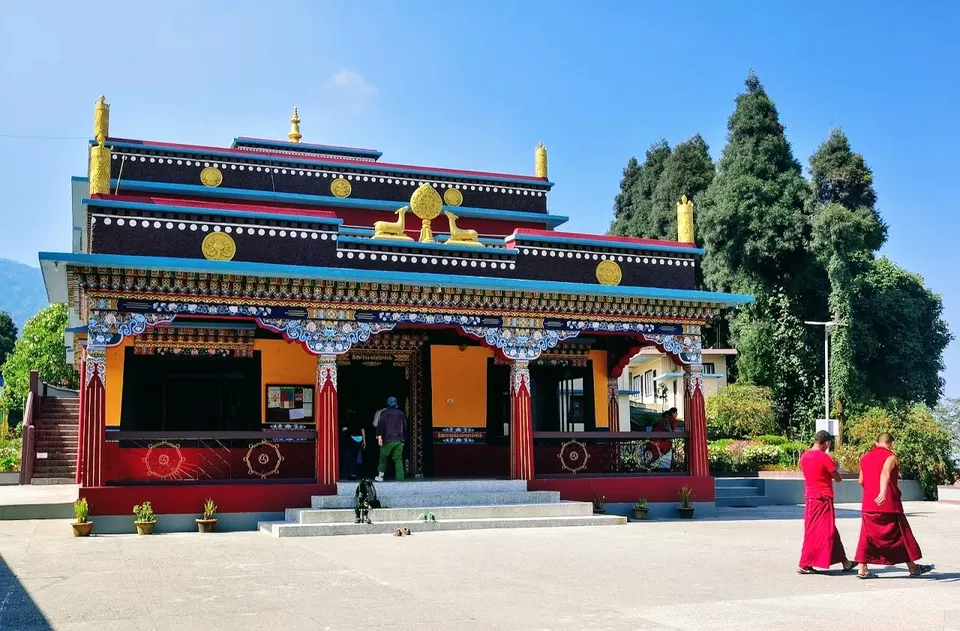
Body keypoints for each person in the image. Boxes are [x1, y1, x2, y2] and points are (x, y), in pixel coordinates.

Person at [855, 433, 934, 579]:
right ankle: (913, 568)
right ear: (892, 443)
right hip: (889, 505)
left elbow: (861, 480)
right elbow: (885, 472)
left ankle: (862, 569)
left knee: (866, 537)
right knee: (902, 536)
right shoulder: (891, 456)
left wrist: (872, 492)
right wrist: (883, 492)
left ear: (876, 442)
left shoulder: (865, 458)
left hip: (869, 504)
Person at [797, 430, 857, 574]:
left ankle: (845, 562)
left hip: (812, 497)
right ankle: (805, 563)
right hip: (822, 498)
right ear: (827, 443)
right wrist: (834, 467)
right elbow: (838, 478)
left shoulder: (804, 456)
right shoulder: (824, 457)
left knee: (829, 530)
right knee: (816, 532)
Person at [375, 396, 406, 482]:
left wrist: (379, 437)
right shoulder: (401, 413)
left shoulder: (384, 413)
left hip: (387, 439)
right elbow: (405, 427)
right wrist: (403, 440)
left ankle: (380, 476)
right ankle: (400, 478)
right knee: (398, 459)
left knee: (383, 457)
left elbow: (380, 425)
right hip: (399, 440)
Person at [340, 407, 366, 480]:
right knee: (357, 455)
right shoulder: (360, 419)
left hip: (352, 438)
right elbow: (362, 430)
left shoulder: (349, 419)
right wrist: (364, 441)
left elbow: (344, 429)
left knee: (351, 456)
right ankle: (357, 472)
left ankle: (352, 473)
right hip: (359, 438)